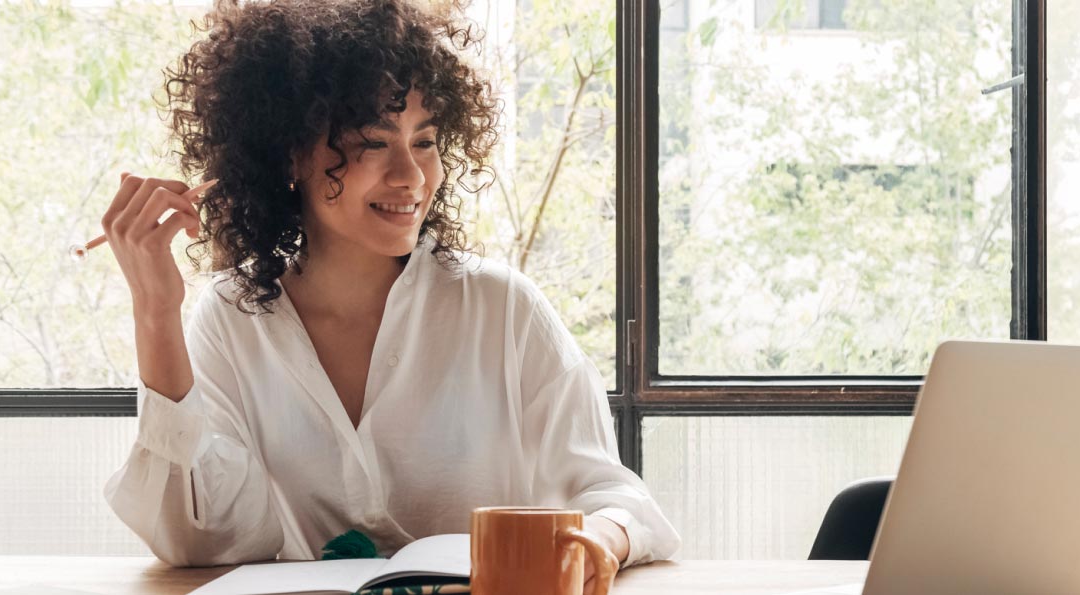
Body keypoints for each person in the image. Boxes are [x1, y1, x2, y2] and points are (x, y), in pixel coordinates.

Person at [99, 0, 681, 589]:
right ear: (289, 154)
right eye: (374, 143)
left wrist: (600, 541)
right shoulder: (232, 317)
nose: (410, 176)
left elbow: (614, 496)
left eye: (424, 142)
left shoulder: (501, 308)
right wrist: (154, 311)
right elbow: (200, 540)